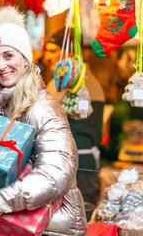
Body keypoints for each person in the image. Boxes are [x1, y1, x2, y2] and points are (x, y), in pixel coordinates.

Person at [0, 7, 87, 236]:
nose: (1, 66)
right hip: (18, 223)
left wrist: (0, 201)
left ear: (25, 58)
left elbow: (56, 172)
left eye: (9, 56)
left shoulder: (42, 108)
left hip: (52, 228)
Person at [44, 28, 106, 220]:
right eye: (47, 51)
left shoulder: (67, 81)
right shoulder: (89, 79)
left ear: (69, 52)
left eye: (53, 51)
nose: (47, 57)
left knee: (78, 219)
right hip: (76, 165)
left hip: (77, 167)